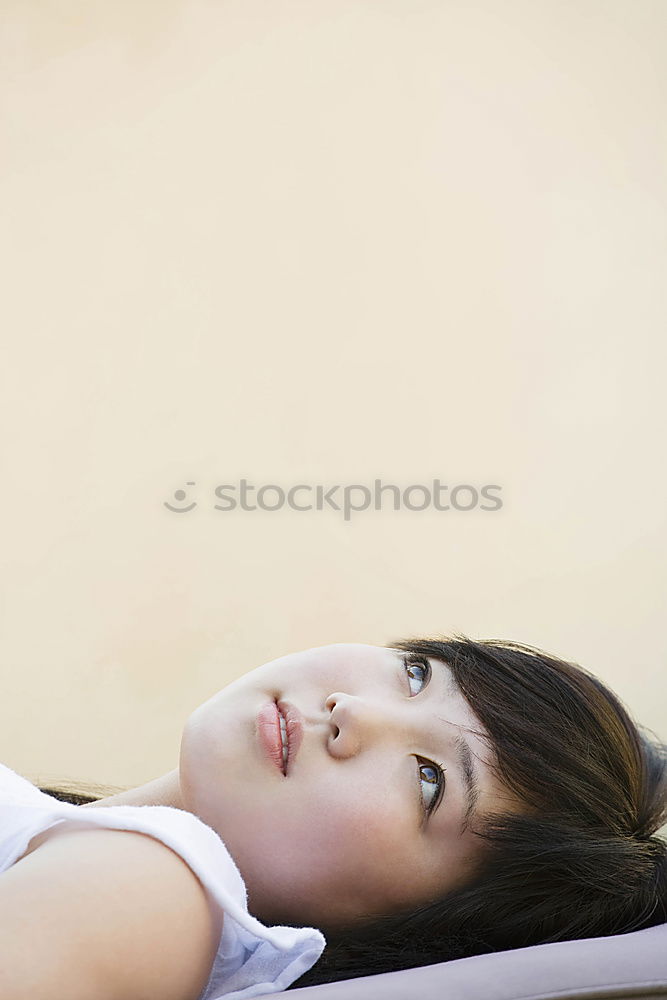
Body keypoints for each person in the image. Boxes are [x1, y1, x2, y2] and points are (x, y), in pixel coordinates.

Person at [6, 635, 667, 996]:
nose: (356, 712)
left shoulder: (152, 885)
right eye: (416, 674)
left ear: (417, 924)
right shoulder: (86, 850)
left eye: (428, 781)